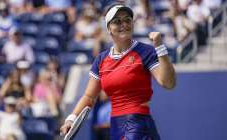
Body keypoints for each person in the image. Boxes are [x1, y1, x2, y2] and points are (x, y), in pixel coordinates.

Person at [60, 4, 176, 140]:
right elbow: (89, 97)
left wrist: (160, 48)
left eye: (127, 20)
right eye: (117, 21)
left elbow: (168, 83)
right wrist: (71, 118)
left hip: (138, 124)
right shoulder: (101, 59)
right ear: (109, 28)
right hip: (115, 125)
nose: (124, 24)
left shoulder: (145, 51)